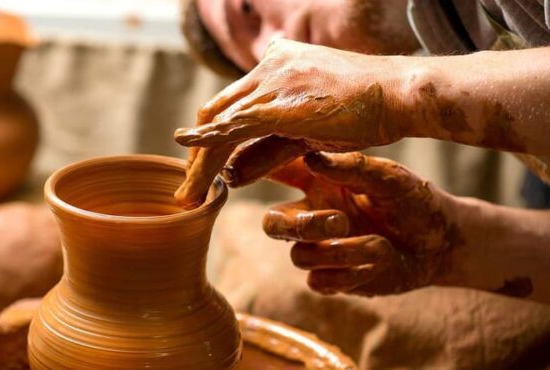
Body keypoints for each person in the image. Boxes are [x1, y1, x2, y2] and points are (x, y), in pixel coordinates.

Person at [176, 0, 550, 304]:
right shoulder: (454, 30)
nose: (271, 47)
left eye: (247, 10)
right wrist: (459, 244)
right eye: (252, 61)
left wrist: (400, 93)